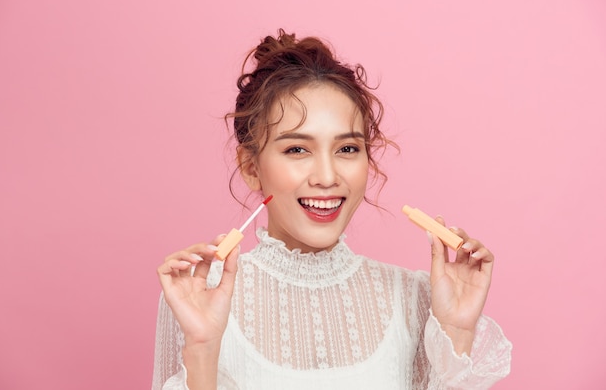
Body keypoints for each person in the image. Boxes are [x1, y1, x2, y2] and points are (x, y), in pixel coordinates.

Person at [152, 30, 512, 390]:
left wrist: (456, 331)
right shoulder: (200, 297)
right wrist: (201, 347)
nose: (327, 177)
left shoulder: (417, 300)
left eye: (347, 149)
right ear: (250, 167)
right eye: (297, 149)